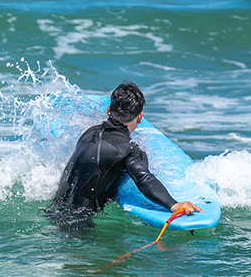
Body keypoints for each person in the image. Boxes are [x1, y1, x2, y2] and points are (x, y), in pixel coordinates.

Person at [48, 83, 200, 231]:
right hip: (80, 221)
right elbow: (144, 179)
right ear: (140, 117)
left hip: (54, 210)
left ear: (109, 110)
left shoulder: (90, 133)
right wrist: (173, 204)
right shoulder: (128, 149)